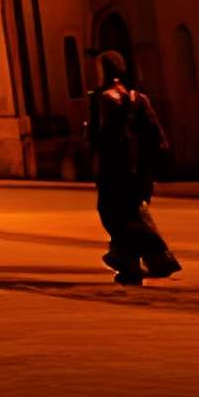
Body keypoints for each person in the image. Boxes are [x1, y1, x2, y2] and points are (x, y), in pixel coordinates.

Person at [83, 53, 179, 284]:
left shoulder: (103, 99)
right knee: (133, 212)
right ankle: (144, 261)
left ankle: (149, 258)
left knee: (115, 214)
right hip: (140, 169)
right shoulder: (140, 98)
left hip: (115, 168)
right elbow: (158, 136)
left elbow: (98, 136)